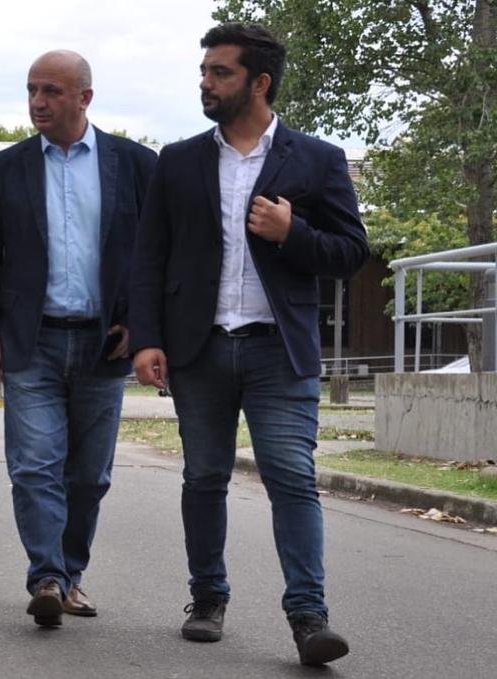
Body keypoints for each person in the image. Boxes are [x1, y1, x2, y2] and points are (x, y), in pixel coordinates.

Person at [130, 23, 369, 666]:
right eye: (204, 71)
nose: (205, 82)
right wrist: (148, 338)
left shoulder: (316, 159)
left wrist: (293, 232)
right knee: (204, 476)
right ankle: (207, 596)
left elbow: (350, 254)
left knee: (292, 478)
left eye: (219, 72)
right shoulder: (178, 161)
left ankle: (308, 616)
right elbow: (150, 257)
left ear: (259, 83)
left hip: (278, 349)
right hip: (199, 348)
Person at [0, 50, 157, 627]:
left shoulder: (135, 164)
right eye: (32, 90)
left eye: (51, 90)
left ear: (84, 98)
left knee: (89, 475)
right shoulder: (9, 167)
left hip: (105, 345)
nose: (38, 102)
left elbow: (153, 258)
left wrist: (143, 327)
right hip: (32, 341)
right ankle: (46, 575)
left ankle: (70, 573)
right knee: (33, 465)